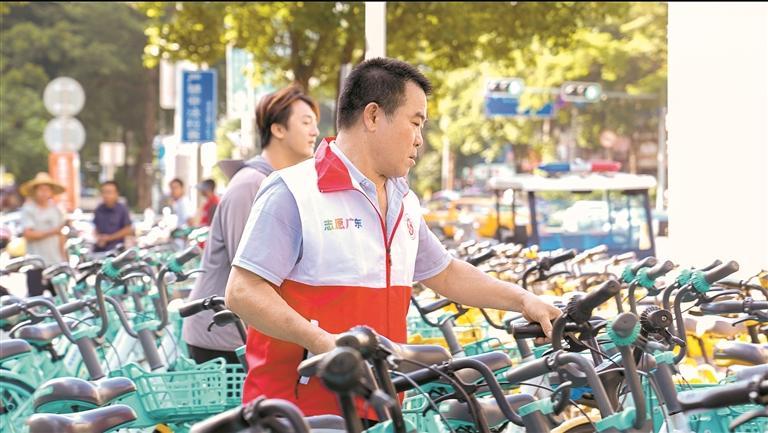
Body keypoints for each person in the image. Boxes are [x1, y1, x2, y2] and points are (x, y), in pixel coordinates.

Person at [225, 58, 561, 416]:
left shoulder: (403, 201)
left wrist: (524, 300)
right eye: (415, 123)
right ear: (373, 116)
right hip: (298, 411)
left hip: (378, 404)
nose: (419, 139)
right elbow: (242, 291)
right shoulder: (293, 190)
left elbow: (445, 273)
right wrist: (323, 343)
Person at [182, 85, 320, 364]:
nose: (315, 132)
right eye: (306, 122)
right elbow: (250, 275)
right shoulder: (250, 185)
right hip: (222, 338)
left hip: (243, 333)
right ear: (278, 129)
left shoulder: (278, 183)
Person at [19, 172, 68, 296]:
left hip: (55, 262)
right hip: (36, 263)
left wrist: (64, 259)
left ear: (51, 191)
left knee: (61, 298)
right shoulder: (28, 209)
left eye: (47, 189)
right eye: (40, 189)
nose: (43, 193)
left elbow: (61, 235)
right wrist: (51, 231)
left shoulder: (56, 209)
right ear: (35, 191)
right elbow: (28, 234)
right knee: (36, 300)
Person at [93, 181, 133, 252]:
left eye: (109, 192)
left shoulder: (122, 209)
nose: (106, 195)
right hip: (100, 249)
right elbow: (96, 228)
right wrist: (99, 237)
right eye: (104, 192)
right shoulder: (99, 209)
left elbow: (128, 230)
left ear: (116, 194)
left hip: (117, 250)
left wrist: (109, 238)